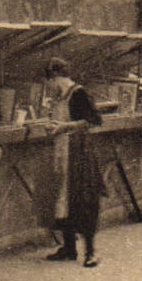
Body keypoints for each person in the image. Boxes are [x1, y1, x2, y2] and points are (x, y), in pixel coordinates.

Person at [38, 58, 104, 267]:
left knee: (83, 201)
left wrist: (64, 128)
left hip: (79, 155)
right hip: (61, 153)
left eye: (48, 82)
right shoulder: (59, 97)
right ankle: (69, 248)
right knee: (61, 200)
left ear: (55, 77)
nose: (48, 87)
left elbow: (93, 120)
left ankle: (91, 251)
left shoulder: (78, 93)